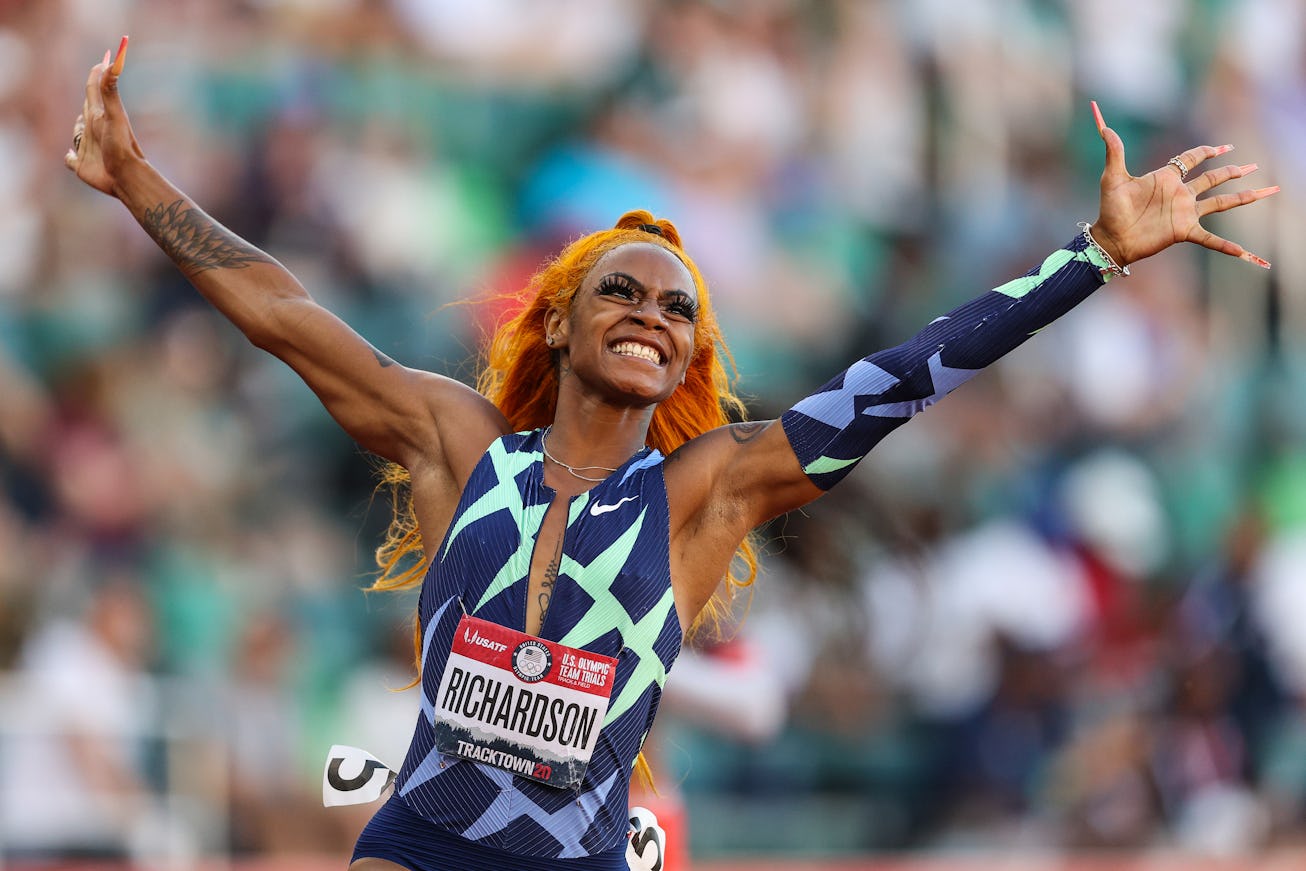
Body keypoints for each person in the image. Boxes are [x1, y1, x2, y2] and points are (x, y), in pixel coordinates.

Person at [65, 37, 1277, 871]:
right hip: (417, 846)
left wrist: (1093, 259)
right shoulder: (456, 444)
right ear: (558, 317)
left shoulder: (706, 491)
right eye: (622, 290)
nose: (653, 310)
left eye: (678, 305)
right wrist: (131, 178)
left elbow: (900, 382)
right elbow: (284, 314)